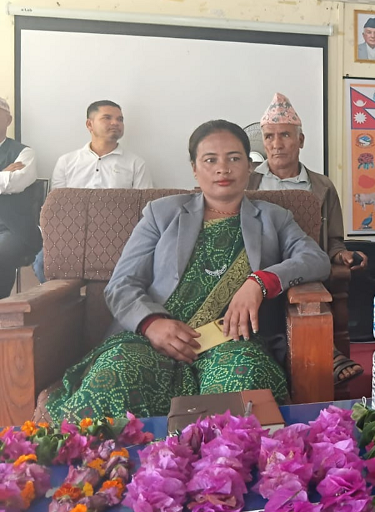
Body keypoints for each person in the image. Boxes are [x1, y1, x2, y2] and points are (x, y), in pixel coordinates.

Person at [43, 120, 331, 420]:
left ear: (249, 166)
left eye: (234, 158)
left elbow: (315, 259)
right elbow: (122, 284)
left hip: (231, 342)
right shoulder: (162, 213)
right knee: (117, 372)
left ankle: (226, 452)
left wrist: (260, 281)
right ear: (194, 168)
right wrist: (151, 324)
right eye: (210, 160)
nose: (223, 169)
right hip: (151, 340)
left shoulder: (275, 218)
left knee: (244, 378)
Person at [248, 92, 367, 385]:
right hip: (257, 268)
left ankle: (312, 358)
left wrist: (341, 254)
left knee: (306, 294)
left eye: (285, 135)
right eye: (269, 136)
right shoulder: (249, 182)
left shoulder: (322, 186)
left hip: (306, 270)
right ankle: (325, 354)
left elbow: (334, 240)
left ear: (300, 140)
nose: (277, 144)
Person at [34, 99, 153, 282]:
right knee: (42, 263)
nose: (115, 123)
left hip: (118, 235)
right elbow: (58, 205)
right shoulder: (67, 162)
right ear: (89, 124)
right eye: (107, 118)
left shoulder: (135, 163)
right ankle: (67, 300)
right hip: (72, 234)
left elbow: (146, 208)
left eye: (120, 119)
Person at [0, 97, 41, 299]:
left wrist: (8, 178)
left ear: (8, 120)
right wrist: (3, 174)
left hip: (13, 229)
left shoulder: (24, 153)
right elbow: (6, 182)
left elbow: (16, 182)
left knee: (1, 253)